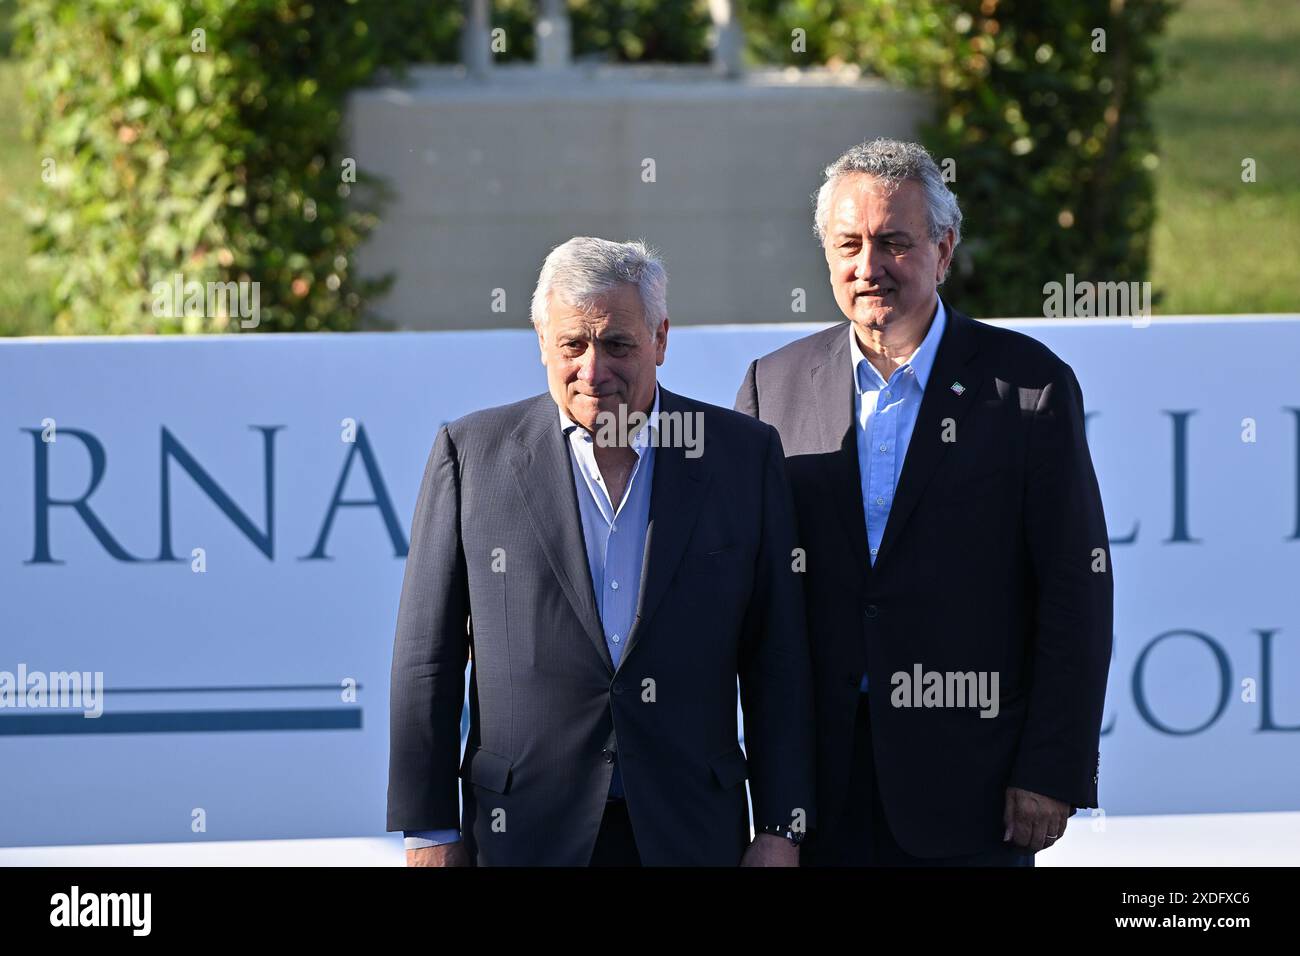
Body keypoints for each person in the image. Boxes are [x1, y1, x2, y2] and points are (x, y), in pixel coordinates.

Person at [736, 140, 1113, 866]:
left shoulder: (1028, 386)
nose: (868, 267)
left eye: (894, 243)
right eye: (848, 244)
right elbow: (745, 595)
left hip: (976, 793)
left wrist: (1050, 770)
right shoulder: (770, 385)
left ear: (943, 251)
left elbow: (1076, 589)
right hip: (816, 797)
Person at [389, 237, 815, 866]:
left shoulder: (740, 456)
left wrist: (782, 827)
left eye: (617, 344)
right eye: (572, 345)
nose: (593, 369)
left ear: (661, 339)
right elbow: (428, 660)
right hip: (523, 833)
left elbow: (778, 657)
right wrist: (430, 831)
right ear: (541, 341)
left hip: (691, 830)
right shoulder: (471, 453)